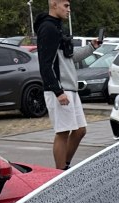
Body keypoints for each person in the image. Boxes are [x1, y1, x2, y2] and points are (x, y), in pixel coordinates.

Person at [36, 0, 100, 169]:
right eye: (66, 6)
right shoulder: (48, 28)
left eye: (69, 6)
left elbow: (70, 57)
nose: (69, 10)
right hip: (60, 89)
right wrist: (58, 91)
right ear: (54, 4)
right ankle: (58, 174)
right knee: (63, 132)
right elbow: (45, 64)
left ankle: (65, 166)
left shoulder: (57, 27)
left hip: (70, 88)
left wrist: (92, 47)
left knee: (80, 130)